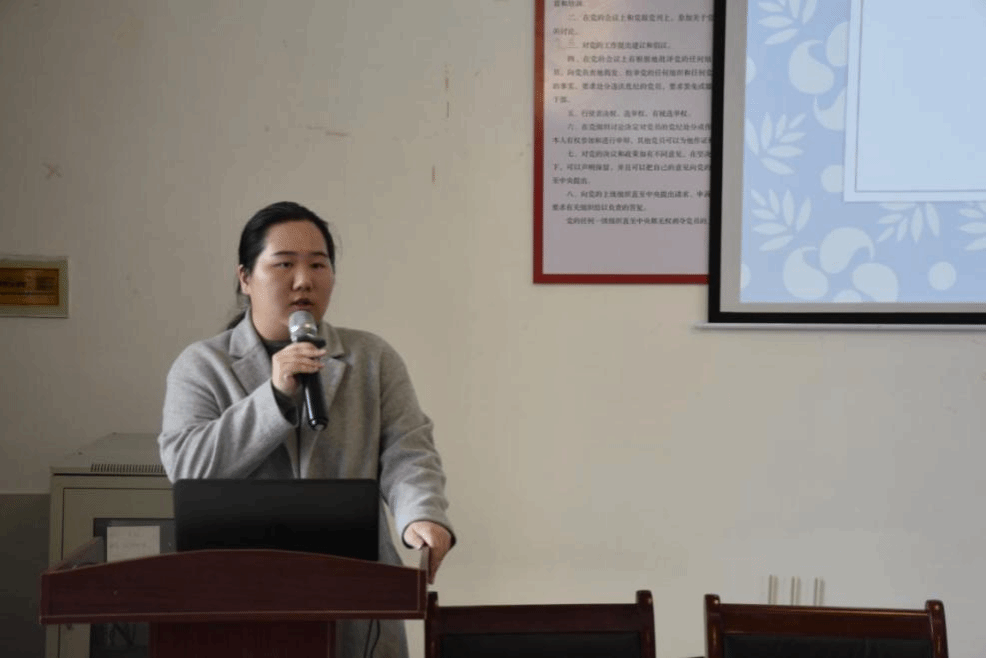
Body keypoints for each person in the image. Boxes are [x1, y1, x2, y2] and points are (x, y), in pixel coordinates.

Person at [158, 201, 454, 658]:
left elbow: (408, 451)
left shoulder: (371, 357)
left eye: (318, 264)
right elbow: (187, 467)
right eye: (284, 264)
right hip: (240, 603)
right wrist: (274, 396)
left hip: (356, 601)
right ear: (245, 277)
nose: (303, 280)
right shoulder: (201, 365)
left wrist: (422, 515)